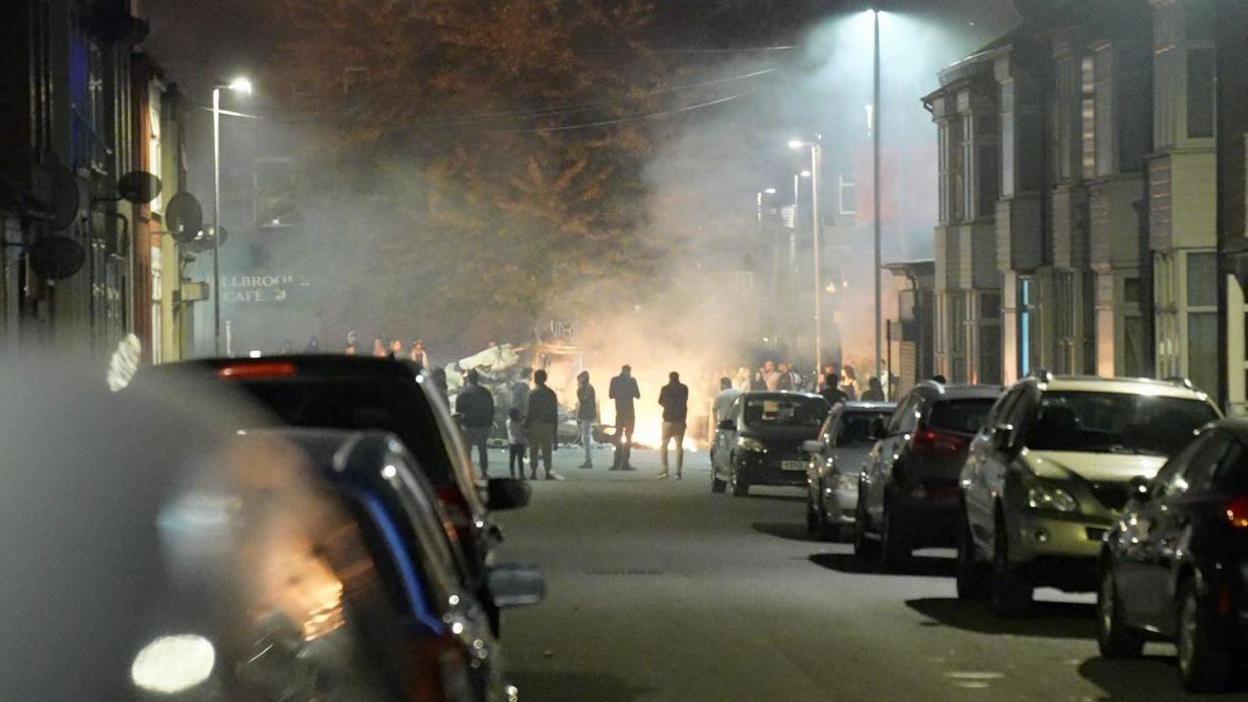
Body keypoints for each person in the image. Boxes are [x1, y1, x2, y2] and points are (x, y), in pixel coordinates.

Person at [455, 369, 496, 478]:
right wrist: (489, 423)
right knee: (482, 450)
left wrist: (459, 427)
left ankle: (469, 473)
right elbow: (491, 409)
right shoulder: (485, 392)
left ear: (468, 378)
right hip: (483, 426)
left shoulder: (463, 393)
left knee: (467, 451)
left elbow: (458, 412)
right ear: (478, 378)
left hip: (467, 426)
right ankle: (484, 472)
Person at [526, 369, 559, 480]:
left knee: (533, 449)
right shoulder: (551, 394)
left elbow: (530, 411)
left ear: (536, 379)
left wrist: (526, 426)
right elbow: (555, 413)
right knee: (547, 450)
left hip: (535, 425)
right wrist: (555, 431)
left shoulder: (533, 394)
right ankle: (547, 472)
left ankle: (533, 472)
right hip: (548, 425)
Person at [657, 371, 689, 480]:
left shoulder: (665, 389)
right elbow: (685, 401)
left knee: (664, 445)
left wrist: (668, 405)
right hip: (680, 420)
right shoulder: (684, 388)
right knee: (679, 446)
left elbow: (660, 402)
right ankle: (678, 472)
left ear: (669, 378)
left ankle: (665, 470)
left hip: (668, 420)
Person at [608, 365, 640, 470]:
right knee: (628, 437)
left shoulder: (614, 380)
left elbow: (611, 395)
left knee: (618, 437)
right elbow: (638, 395)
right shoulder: (632, 381)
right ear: (629, 371)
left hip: (619, 413)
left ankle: (616, 462)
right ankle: (625, 462)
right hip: (629, 413)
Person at [575, 370, 597, 469]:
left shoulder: (586, 388)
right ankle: (588, 460)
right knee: (585, 438)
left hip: (587, 415)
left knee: (586, 438)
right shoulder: (588, 388)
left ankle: (588, 461)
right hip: (587, 415)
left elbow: (584, 400)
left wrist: (579, 391)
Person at [506, 407, 527, 480]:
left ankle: (512, 474)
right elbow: (523, 431)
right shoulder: (520, 423)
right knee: (520, 459)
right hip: (520, 443)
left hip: (512, 443)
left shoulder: (508, 422)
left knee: (512, 459)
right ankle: (521, 474)